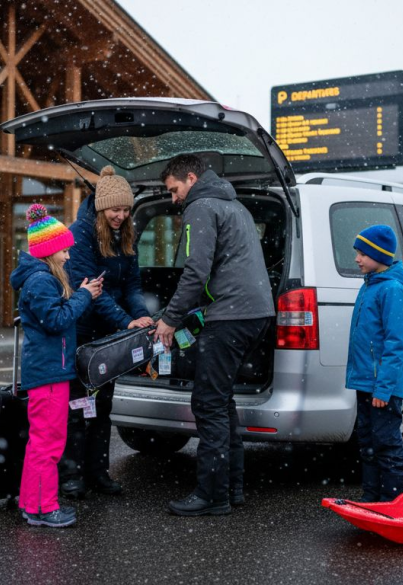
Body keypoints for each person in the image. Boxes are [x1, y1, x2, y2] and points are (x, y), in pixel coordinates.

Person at [153, 154, 275, 516]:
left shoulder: (201, 207)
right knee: (221, 401)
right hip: (256, 314)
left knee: (207, 403)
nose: (174, 198)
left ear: (191, 178)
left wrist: (169, 319)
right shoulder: (235, 206)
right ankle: (231, 488)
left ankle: (211, 495)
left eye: (174, 189)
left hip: (230, 316)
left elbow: (196, 271)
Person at [59, 166, 153, 499]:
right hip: (83, 332)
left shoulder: (125, 234)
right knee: (77, 406)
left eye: (126, 210)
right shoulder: (80, 234)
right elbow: (91, 291)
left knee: (102, 405)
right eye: (115, 209)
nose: (121, 216)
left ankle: (98, 472)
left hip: (108, 336)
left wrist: (141, 317)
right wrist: (126, 322)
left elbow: (132, 285)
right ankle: (71, 475)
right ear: (101, 207)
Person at [9, 204, 102, 528]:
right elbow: (57, 320)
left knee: (42, 443)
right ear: (49, 252)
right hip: (49, 374)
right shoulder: (41, 281)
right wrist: (83, 296)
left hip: (50, 371)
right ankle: (44, 508)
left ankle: (32, 504)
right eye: (63, 250)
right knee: (48, 444)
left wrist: (81, 295)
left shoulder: (41, 279)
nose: (67, 256)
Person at [347, 225, 403, 503]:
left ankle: (395, 503)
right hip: (367, 382)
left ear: (379, 255)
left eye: (363, 254)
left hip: (382, 387)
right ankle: (372, 498)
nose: (357, 259)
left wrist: (384, 388)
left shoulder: (392, 290)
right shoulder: (370, 285)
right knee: (367, 443)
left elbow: (396, 345)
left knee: (387, 444)